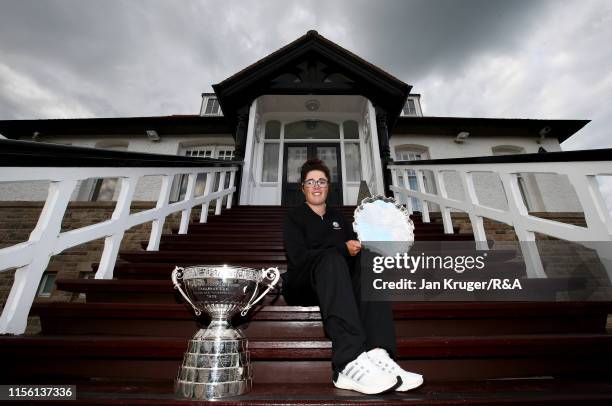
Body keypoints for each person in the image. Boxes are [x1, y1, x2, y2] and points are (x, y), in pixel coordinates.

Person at [282, 158, 424, 395]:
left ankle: (378, 353)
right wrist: (340, 250)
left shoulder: (339, 219)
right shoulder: (294, 217)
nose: (316, 186)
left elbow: (354, 254)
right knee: (332, 258)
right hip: (303, 283)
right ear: (303, 187)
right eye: (310, 182)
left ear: (328, 186)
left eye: (322, 181)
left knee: (369, 259)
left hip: (337, 284)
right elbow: (298, 258)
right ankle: (348, 361)